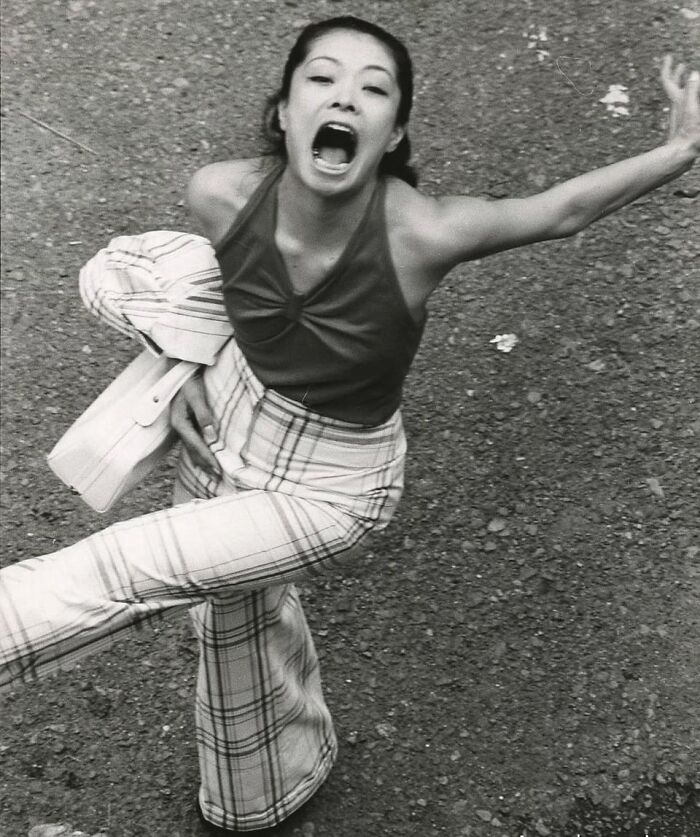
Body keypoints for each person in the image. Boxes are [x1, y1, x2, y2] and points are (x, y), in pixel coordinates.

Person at [1, 15, 698, 836]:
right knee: (233, 616)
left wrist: (679, 152)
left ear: (392, 131)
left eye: (375, 90)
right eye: (321, 80)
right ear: (285, 114)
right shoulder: (221, 193)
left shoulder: (418, 233)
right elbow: (149, 279)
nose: (346, 97)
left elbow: (558, 213)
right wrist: (183, 356)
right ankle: (267, 790)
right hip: (233, 417)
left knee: (123, 566)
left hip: (332, 487)